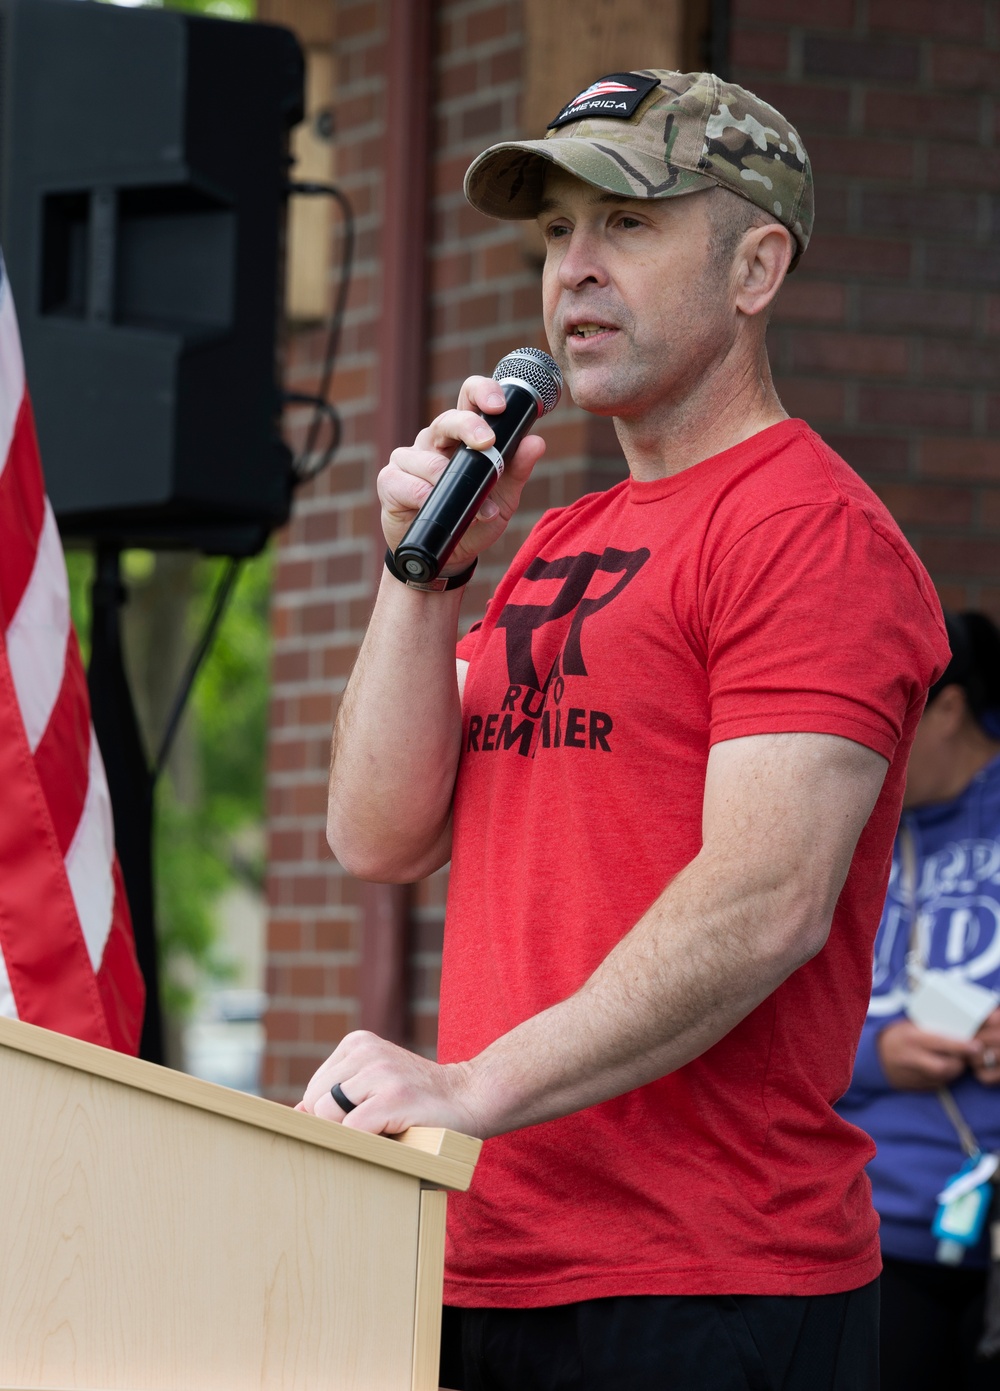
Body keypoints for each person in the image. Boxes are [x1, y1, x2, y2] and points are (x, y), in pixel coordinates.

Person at [298, 70, 950, 1389]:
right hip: (487, 1251)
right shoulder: (556, 542)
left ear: (757, 264)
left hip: (711, 1280)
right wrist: (421, 580)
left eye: (627, 224)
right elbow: (376, 831)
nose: (575, 270)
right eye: (555, 234)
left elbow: (763, 901)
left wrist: (471, 1084)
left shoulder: (813, 535)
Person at [838, 611, 1000, 1391]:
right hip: (876, 1221)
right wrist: (876, 1053)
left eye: (901, 710)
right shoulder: (848, 817)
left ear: (950, 707)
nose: (880, 737)